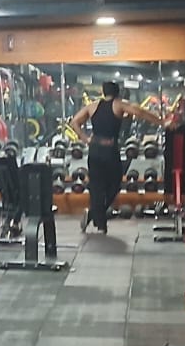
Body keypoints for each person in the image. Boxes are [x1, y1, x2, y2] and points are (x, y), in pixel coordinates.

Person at [70, 81, 170, 234]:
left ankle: (98, 220)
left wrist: (86, 139)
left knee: (96, 188)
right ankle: (95, 217)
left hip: (95, 149)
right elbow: (140, 113)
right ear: (117, 93)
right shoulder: (118, 105)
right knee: (115, 184)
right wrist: (162, 122)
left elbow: (74, 122)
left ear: (103, 92)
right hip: (109, 150)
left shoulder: (92, 106)